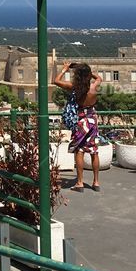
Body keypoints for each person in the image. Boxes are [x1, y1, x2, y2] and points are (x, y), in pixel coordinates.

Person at [54, 62, 102, 192]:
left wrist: (65, 69)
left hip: (81, 120)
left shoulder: (74, 87)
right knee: (94, 151)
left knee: (79, 151)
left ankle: (80, 183)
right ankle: (96, 182)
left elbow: (56, 81)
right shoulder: (94, 87)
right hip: (92, 119)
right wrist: (88, 72)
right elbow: (99, 78)